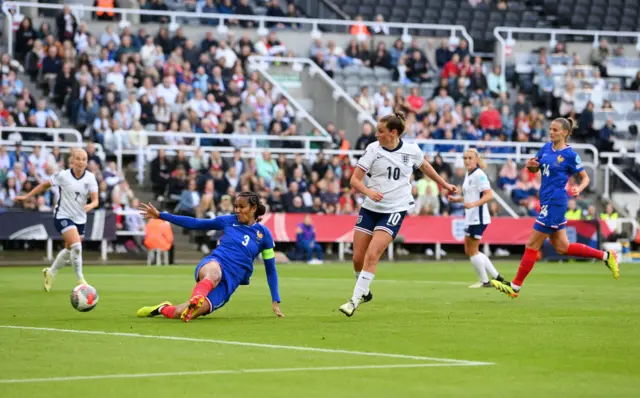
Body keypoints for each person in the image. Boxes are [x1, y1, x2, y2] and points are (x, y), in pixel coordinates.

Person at [339, 112, 457, 317]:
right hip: (370, 207)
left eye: (381, 131)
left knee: (372, 254)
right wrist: (369, 192)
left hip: (395, 209)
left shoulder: (411, 151)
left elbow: (425, 166)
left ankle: (353, 301)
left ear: (393, 133)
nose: (376, 134)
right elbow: (354, 180)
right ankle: (364, 291)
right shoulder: (372, 150)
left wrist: (444, 185)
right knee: (357, 257)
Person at [491, 118, 619, 298]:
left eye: (555, 130)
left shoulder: (570, 155)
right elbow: (536, 169)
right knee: (562, 247)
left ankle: (515, 286)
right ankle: (607, 256)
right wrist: (531, 167)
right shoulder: (546, 148)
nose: (551, 132)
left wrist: (579, 188)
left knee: (532, 244)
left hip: (555, 202)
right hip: (545, 200)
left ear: (565, 133)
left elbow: (585, 178)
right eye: (550, 129)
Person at [136, 192, 284, 322]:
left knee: (183, 313)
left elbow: (270, 269)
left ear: (253, 208)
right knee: (214, 273)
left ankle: (162, 308)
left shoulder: (264, 234)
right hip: (216, 263)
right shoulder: (228, 221)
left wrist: (275, 299)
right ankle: (198, 297)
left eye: (242, 207)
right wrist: (162, 215)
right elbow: (195, 223)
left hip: (231, 281)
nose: (237, 210)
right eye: (236, 206)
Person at [15, 149, 99, 291]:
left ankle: (51, 272)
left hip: (80, 219)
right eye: (78, 159)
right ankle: (80, 280)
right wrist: (26, 196)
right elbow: (44, 185)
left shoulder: (90, 178)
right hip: (62, 216)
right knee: (77, 246)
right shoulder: (63, 176)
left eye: (84, 159)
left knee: (69, 249)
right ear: (72, 160)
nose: (81, 162)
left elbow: (96, 201)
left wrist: (90, 205)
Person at [448, 148, 504, 288]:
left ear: (477, 159)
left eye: (470, 158)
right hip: (471, 216)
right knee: (470, 250)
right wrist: (457, 200)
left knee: (472, 250)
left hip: (478, 217)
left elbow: (489, 195)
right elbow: (470, 196)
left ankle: (485, 281)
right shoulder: (469, 174)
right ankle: (496, 276)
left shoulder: (479, 174)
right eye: (465, 158)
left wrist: (473, 204)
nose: (467, 161)